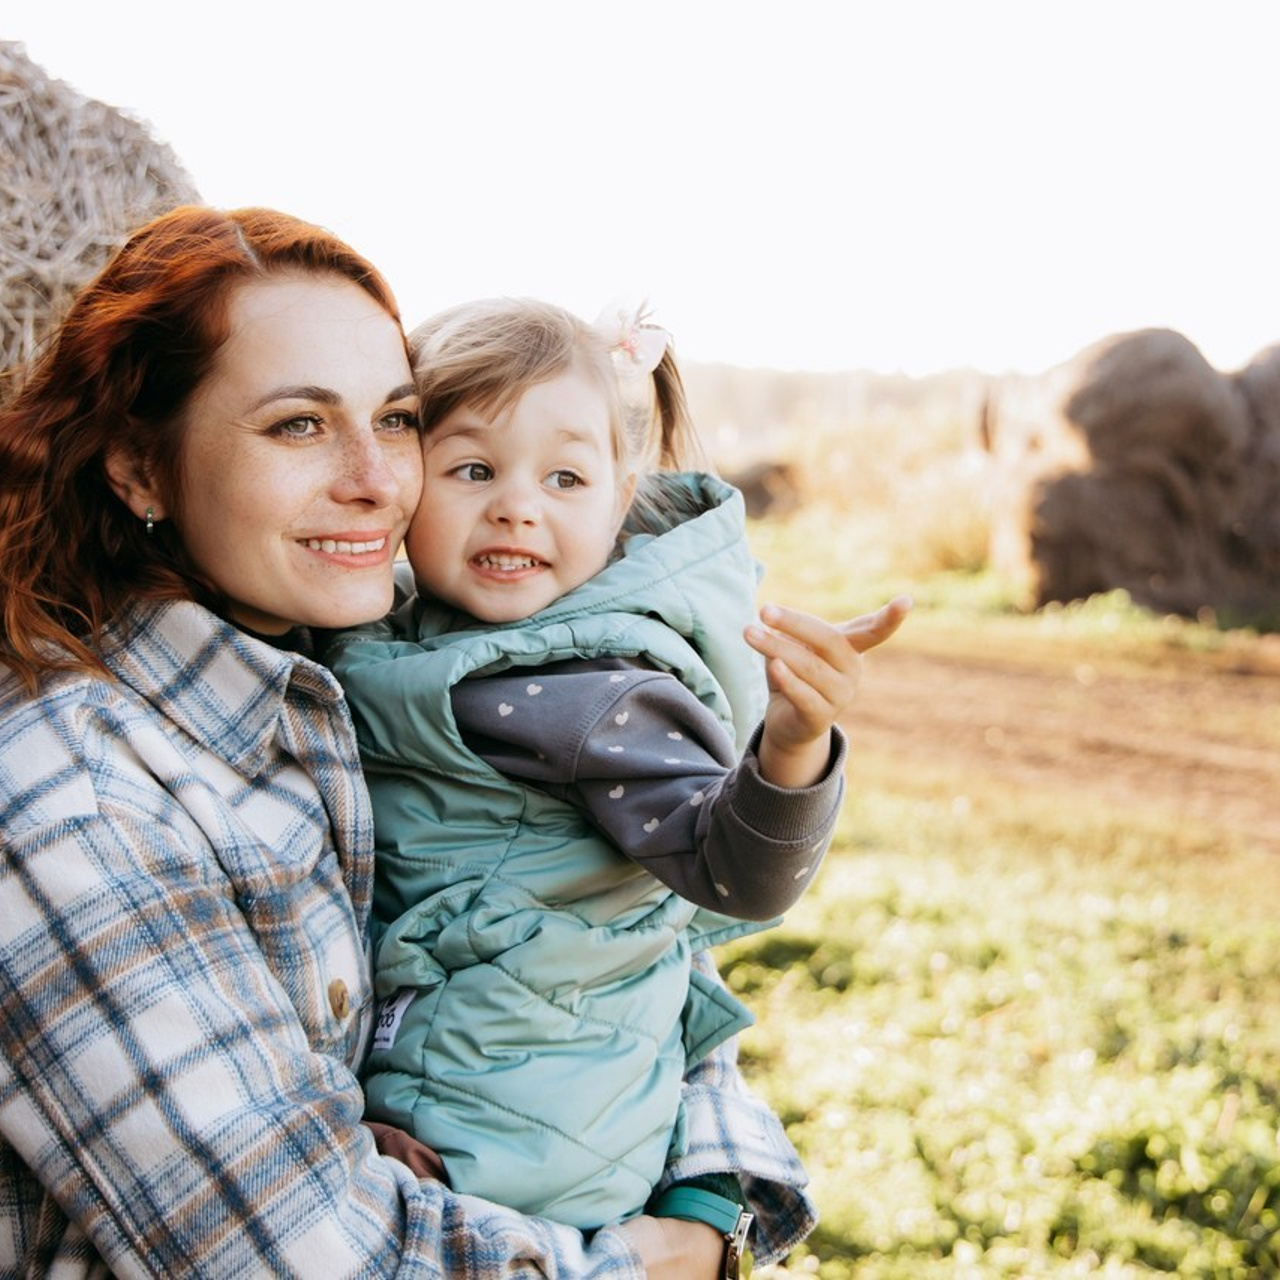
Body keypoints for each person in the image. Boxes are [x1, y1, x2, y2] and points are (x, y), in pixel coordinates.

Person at [0, 205, 906, 1278]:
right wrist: (656, 1262)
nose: (378, 480)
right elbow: (318, 1257)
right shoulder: (77, 799)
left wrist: (713, 1199)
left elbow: (626, 944)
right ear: (140, 469)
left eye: (394, 420)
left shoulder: (347, 666)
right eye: (298, 425)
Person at [325, 297, 912, 1238]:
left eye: (565, 477)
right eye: (473, 469)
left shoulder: (589, 693)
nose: (517, 505)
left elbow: (735, 873)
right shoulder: (404, 628)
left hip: (517, 1136)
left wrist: (794, 744)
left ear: (619, 497)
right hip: (449, 1079)